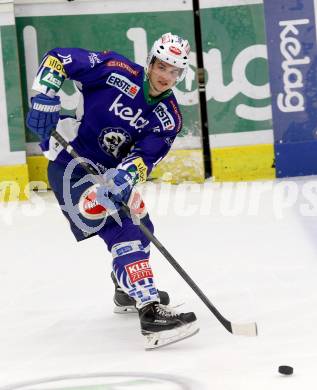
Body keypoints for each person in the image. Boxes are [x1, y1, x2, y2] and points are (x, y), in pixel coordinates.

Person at [26, 32, 199, 349]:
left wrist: (126, 176)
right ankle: (150, 313)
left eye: (174, 71)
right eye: (162, 66)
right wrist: (45, 95)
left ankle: (126, 290)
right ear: (151, 62)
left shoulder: (169, 116)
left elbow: (146, 156)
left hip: (107, 176)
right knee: (125, 231)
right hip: (70, 166)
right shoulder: (114, 69)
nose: (166, 76)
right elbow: (59, 57)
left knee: (143, 225)